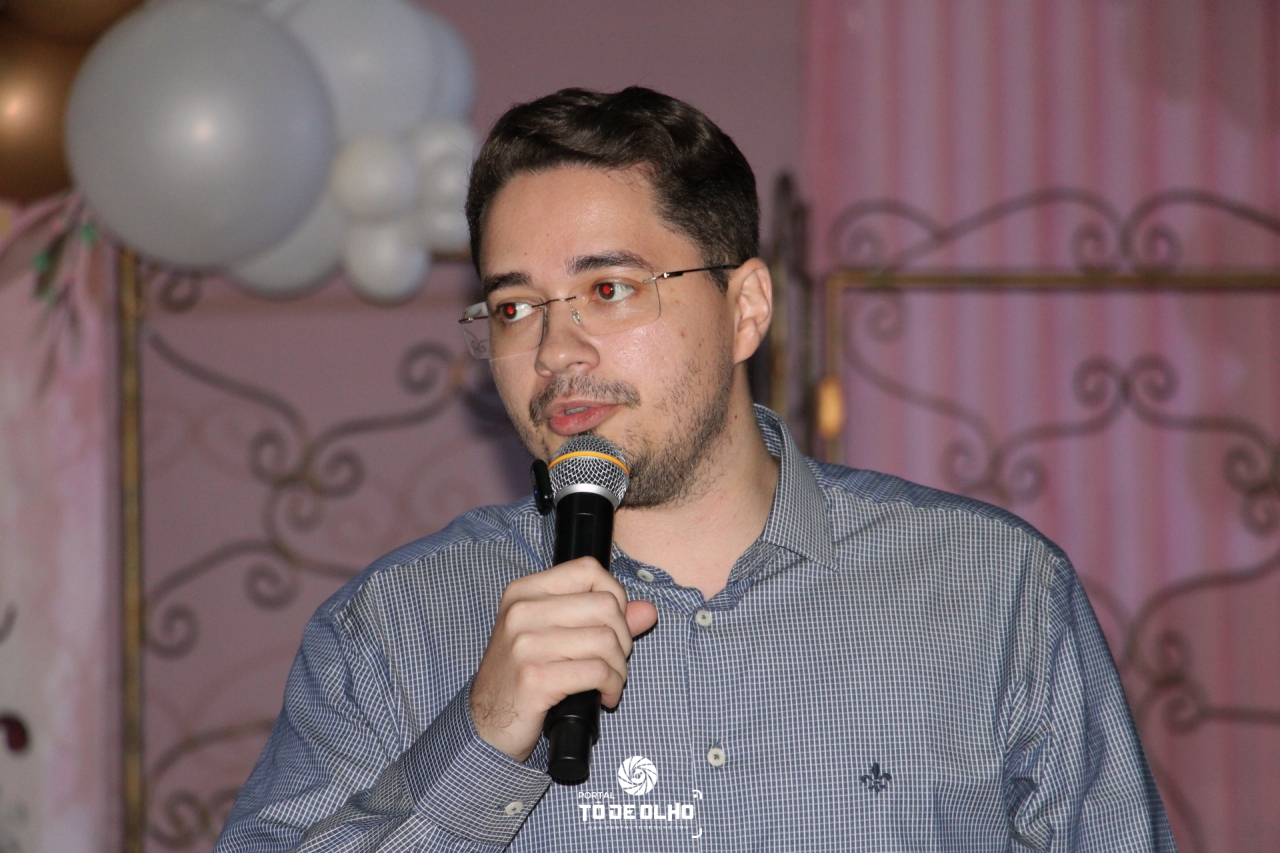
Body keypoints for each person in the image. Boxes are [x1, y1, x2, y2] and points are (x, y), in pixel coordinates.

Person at [215, 87, 1175, 852]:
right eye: (514, 307)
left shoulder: (994, 589)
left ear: (745, 308)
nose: (555, 350)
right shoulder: (393, 629)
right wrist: (479, 738)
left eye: (608, 288)